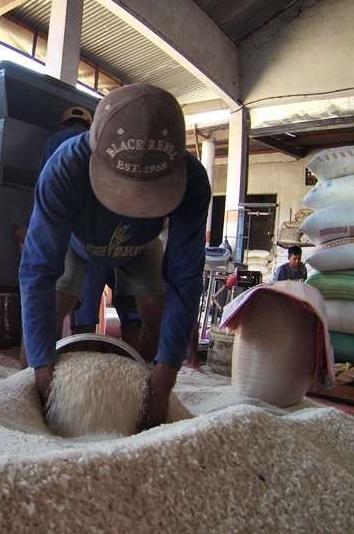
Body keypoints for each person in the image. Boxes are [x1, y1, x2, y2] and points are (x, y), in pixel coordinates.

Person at [20, 84, 211, 430]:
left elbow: (184, 277)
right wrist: (41, 367)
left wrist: (167, 370)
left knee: (155, 312)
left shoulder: (193, 181)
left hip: (142, 246)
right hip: (78, 246)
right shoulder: (65, 166)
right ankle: (24, 396)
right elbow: (38, 271)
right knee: (50, 314)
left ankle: (145, 390)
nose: (133, 206)